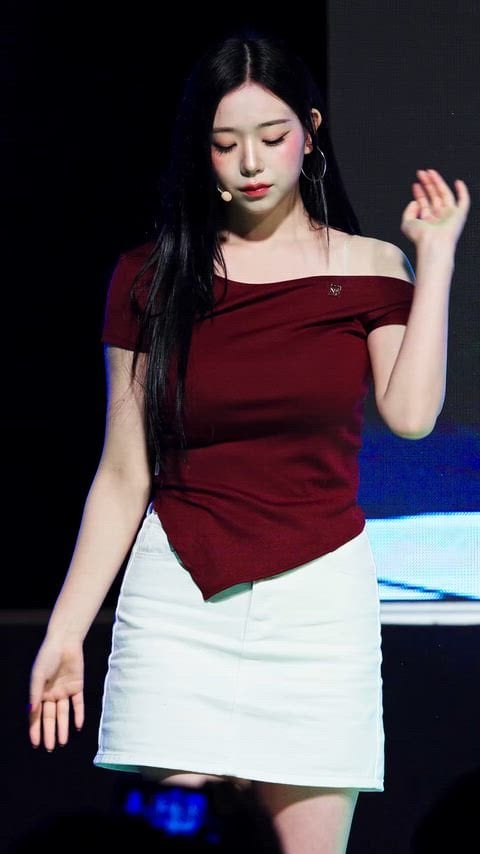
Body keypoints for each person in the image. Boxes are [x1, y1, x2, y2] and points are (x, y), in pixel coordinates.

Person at [28, 28, 470, 854]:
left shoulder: (370, 267)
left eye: (271, 137)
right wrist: (66, 630)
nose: (251, 162)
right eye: (226, 143)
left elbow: (411, 416)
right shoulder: (152, 277)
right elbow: (123, 472)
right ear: (202, 151)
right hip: (180, 591)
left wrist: (436, 257)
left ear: (310, 130)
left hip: (318, 601)